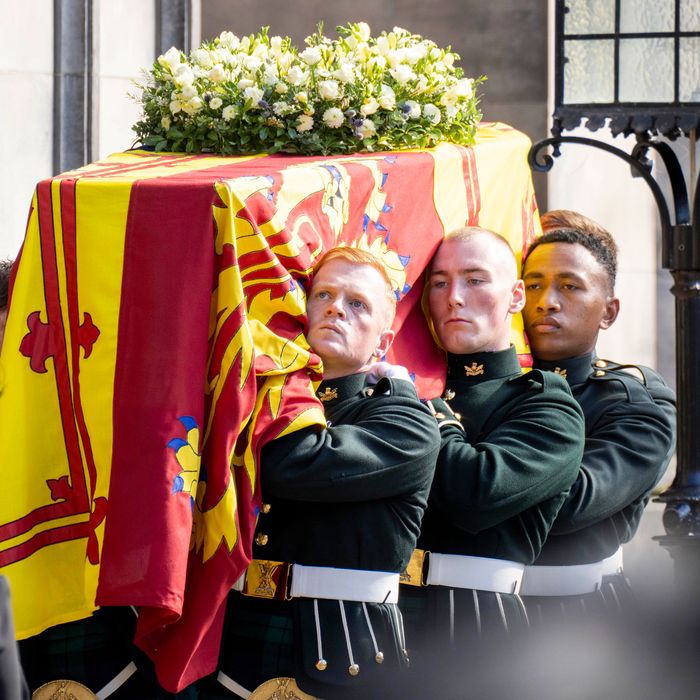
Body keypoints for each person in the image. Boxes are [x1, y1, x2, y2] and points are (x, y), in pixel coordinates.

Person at [205, 247, 440, 699]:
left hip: (341, 648)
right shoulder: (255, 399)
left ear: (383, 344)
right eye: (324, 295)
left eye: (358, 303)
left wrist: (282, 372)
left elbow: (291, 464)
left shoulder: (406, 421)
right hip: (241, 635)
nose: (336, 308)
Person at [399, 227, 585, 697]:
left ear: (516, 295)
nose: (454, 298)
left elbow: (476, 494)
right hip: (373, 624)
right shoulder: (406, 390)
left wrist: (432, 415)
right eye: (438, 283)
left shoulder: (545, 405)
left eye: (475, 279)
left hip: (473, 632)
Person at [519, 210, 676, 617]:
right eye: (532, 284)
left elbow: (572, 506)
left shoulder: (632, 400)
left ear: (609, 311)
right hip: (458, 617)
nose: (546, 302)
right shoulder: (480, 384)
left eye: (570, 286)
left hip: (573, 617)